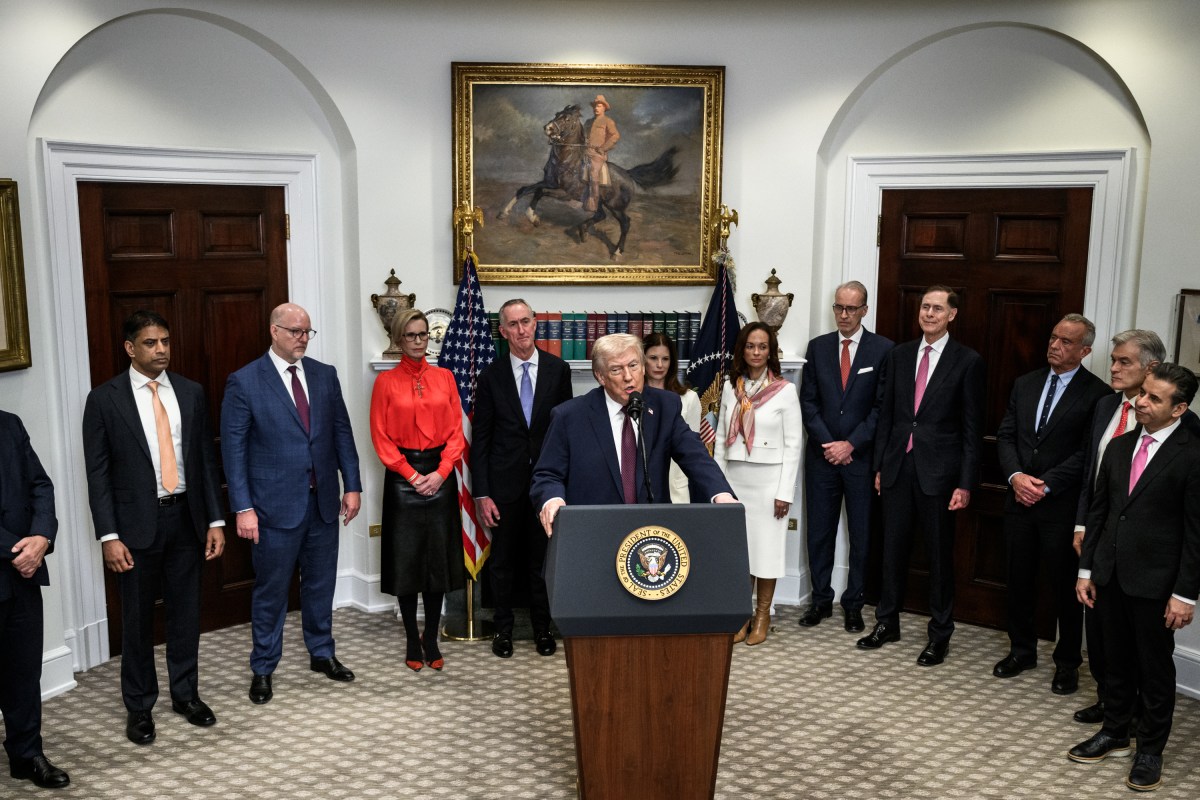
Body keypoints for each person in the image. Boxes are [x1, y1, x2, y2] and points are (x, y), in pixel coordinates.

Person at [82, 311, 226, 745]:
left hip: (186, 520)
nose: (161, 349)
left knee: (185, 615)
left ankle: (186, 695)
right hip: (134, 528)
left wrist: (215, 520)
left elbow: (203, 460)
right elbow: (98, 475)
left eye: (165, 340)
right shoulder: (104, 400)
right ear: (130, 348)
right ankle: (140, 707)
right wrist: (109, 536)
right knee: (138, 622)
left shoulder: (191, 392)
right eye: (150, 343)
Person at [221, 303, 362, 705]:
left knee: (320, 585)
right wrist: (242, 508)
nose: (302, 338)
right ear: (274, 331)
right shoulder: (245, 381)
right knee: (272, 591)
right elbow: (234, 450)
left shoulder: (324, 375)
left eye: (307, 332)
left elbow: (341, 433)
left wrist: (351, 485)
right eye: (295, 331)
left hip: (322, 504)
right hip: (272, 508)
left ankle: (322, 653)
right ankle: (263, 667)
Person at [1070, 363, 1200, 792]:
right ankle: (1115, 731)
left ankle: (1150, 750)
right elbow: (1100, 511)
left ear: (1179, 408)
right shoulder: (1121, 446)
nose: (1140, 401)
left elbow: (1196, 534)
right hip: (1108, 575)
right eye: (1142, 392)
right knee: (1113, 661)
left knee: (1154, 670)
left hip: (1157, 584)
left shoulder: (1194, 454)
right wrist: (1087, 569)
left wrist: (1185, 595)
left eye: (1154, 398)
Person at [858, 285, 985, 666]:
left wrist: (965, 483)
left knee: (939, 557)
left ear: (952, 315)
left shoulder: (967, 361)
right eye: (925, 307)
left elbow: (971, 429)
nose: (929, 313)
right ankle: (887, 621)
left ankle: (940, 634)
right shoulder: (899, 355)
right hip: (898, 467)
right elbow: (889, 417)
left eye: (937, 308)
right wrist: (880, 465)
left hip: (940, 475)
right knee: (891, 550)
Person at [992, 314, 1109, 695]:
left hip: (1060, 507)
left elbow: (1086, 454)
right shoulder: (1026, 384)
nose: (1055, 345)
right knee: (1019, 581)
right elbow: (1006, 436)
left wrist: (1046, 485)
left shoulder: (1098, 395)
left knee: (1064, 590)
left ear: (1085, 350)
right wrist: (1016, 477)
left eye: (1066, 341)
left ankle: (1068, 663)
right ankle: (1021, 651)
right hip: (1018, 501)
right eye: (1054, 337)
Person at [531, 333, 735, 536]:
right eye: (616, 369)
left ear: (643, 367)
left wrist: (720, 493)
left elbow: (695, 456)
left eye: (633, 366)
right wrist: (553, 499)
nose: (628, 376)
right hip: (593, 531)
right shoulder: (570, 416)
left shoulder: (665, 406)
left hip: (651, 533)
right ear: (600, 376)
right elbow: (547, 474)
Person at [474, 300, 573, 659]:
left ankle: (542, 629)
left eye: (526, 321)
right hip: (502, 488)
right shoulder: (491, 375)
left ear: (535, 324)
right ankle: (503, 631)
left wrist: (563, 486)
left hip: (545, 488)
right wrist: (481, 493)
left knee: (541, 563)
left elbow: (566, 435)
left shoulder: (557, 370)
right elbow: (481, 438)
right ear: (503, 332)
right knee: (501, 564)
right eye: (513, 324)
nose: (521, 330)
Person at [370, 309, 466, 671]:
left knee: (437, 561)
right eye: (410, 335)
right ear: (399, 339)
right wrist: (412, 476)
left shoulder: (445, 377)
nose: (417, 341)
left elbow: (456, 433)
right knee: (407, 561)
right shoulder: (385, 382)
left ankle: (431, 635)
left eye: (423, 334)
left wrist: (441, 472)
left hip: (440, 474)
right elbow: (380, 437)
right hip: (403, 478)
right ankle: (412, 635)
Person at [798, 281, 893, 633]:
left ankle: (854, 604)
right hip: (822, 457)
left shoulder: (883, 350)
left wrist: (850, 445)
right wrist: (829, 444)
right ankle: (820, 600)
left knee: (861, 534)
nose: (844, 315)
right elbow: (808, 402)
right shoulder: (819, 347)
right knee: (819, 532)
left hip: (861, 459)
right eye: (839, 307)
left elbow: (882, 408)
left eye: (852, 309)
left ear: (864, 310)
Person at [714, 323, 801, 645]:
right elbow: (722, 438)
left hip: (768, 483)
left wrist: (784, 492)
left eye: (762, 347)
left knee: (767, 552)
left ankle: (762, 615)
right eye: (750, 346)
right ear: (742, 350)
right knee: (741, 553)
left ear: (771, 351)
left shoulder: (785, 391)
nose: (756, 352)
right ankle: (742, 616)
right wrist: (718, 487)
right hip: (735, 481)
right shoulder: (729, 388)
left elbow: (794, 445)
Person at [1, 411, 70, 789]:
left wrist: (42, 534)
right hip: (15, 560)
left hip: (23, 576)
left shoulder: (9, 423)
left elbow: (40, 485)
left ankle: (26, 754)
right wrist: (17, 550)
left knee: (24, 671)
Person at [643, 331, 701, 504]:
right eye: (653, 358)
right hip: (640, 487)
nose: (659, 364)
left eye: (665, 359)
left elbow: (692, 447)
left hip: (676, 488)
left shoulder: (689, 398)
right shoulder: (632, 398)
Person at [583, 94, 620, 212]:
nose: (596, 108)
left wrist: (604, 148)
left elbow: (615, 136)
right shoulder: (588, 122)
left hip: (598, 155)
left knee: (593, 173)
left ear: (604, 108)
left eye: (598, 106)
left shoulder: (608, 121)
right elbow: (583, 136)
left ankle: (594, 201)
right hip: (585, 152)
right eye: (595, 106)